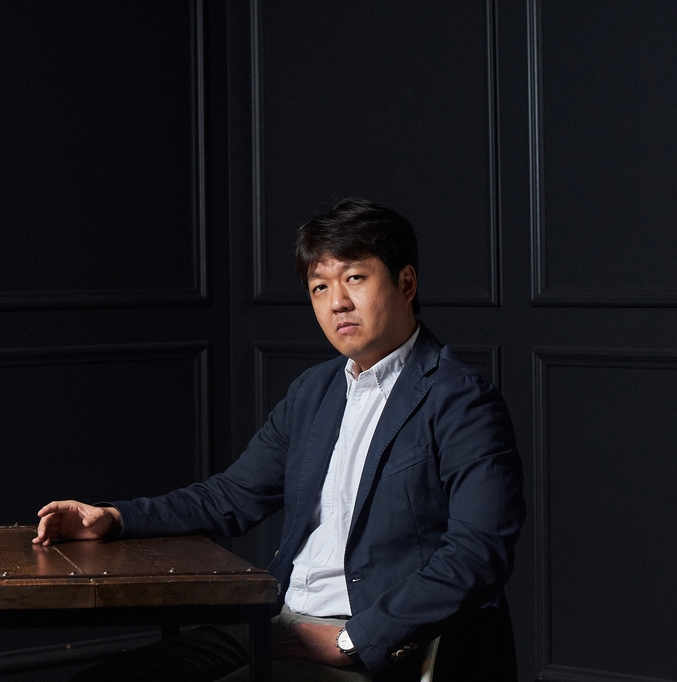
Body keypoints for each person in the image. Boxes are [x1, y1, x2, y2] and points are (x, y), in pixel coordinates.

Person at [34, 198, 526, 681]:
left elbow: (477, 553)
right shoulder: (315, 390)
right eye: (319, 287)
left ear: (406, 282)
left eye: (355, 278)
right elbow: (231, 496)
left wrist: (354, 640)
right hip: (280, 618)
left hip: (377, 641)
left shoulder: (460, 399)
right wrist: (115, 518)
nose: (337, 302)